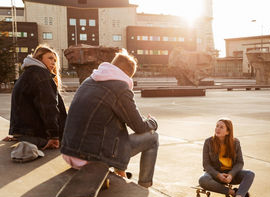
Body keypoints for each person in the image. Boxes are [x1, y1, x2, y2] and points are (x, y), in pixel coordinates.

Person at [60, 50, 158, 187]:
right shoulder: (120, 87)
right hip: (89, 158)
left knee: (110, 122)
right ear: (128, 74)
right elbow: (139, 126)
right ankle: (145, 184)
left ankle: (120, 170)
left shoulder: (89, 80)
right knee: (153, 137)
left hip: (69, 152)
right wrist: (152, 122)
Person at [5, 45, 67, 149]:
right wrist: (54, 136)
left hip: (27, 133)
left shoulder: (29, 73)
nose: (53, 62)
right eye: (50, 58)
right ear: (39, 58)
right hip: (38, 135)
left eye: (55, 60)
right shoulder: (41, 75)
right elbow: (48, 108)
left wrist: (17, 132)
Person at [199, 118, 255, 197]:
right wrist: (218, 175)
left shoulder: (235, 143)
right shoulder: (208, 142)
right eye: (217, 126)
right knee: (202, 180)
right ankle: (234, 193)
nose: (217, 129)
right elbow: (206, 164)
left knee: (250, 174)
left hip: (230, 175)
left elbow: (240, 162)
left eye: (221, 127)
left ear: (228, 131)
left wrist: (231, 175)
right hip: (215, 175)